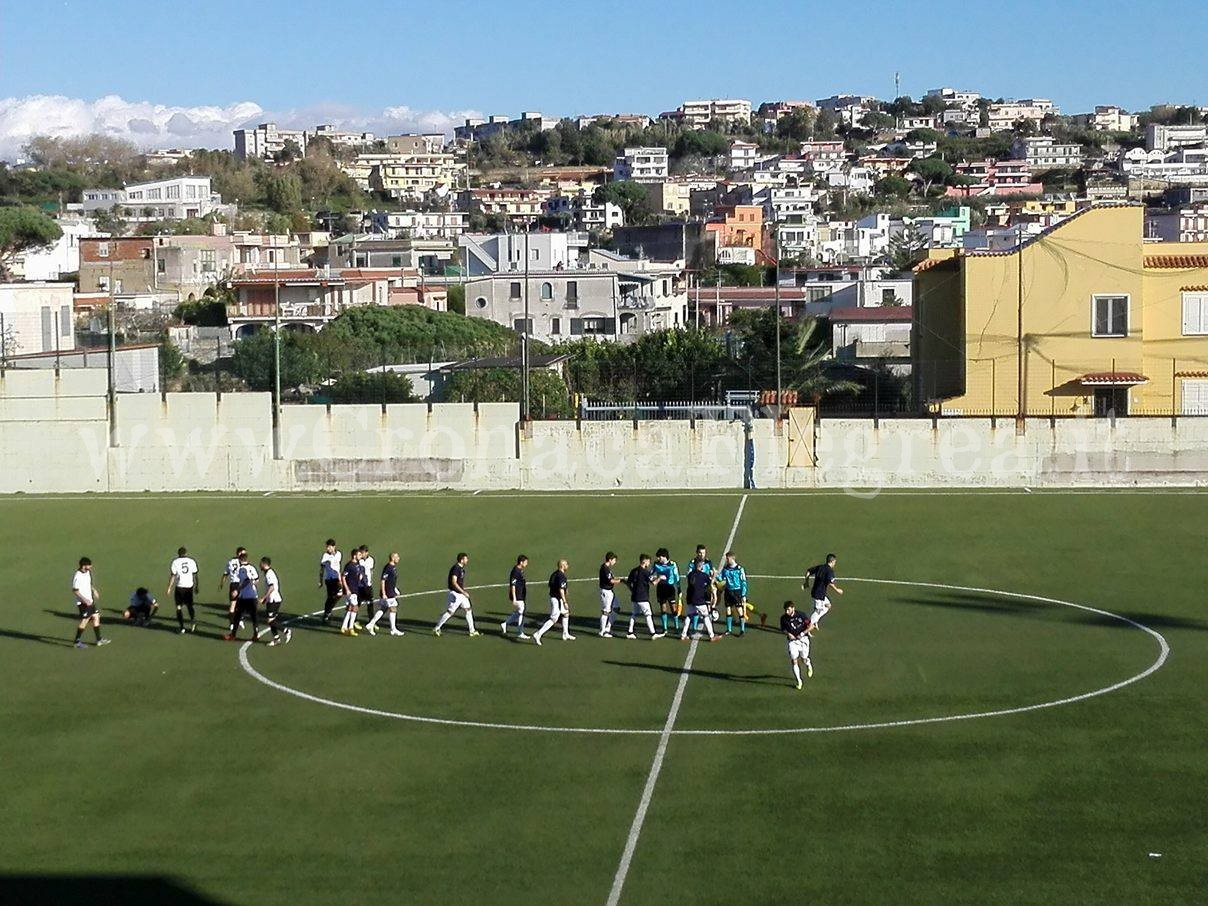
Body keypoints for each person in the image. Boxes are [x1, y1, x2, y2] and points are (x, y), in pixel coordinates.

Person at [434, 553, 480, 637]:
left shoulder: (461, 569)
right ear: (462, 560)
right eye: (466, 559)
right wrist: (463, 592)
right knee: (450, 612)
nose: (467, 560)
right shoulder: (456, 569)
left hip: (461, 594)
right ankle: (437, 628)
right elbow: (454, 582)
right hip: (456, 594)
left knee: (468, 609)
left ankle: (472, 631)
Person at [624, 554, 665, 640]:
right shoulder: (645, 572)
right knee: (648, 614)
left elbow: (628, 583)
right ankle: (653, 633)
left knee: (634, 614)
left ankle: (630, 632)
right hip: (642, 597)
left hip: (634, 597)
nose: (649, 564)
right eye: (648, 562)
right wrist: (660, 578)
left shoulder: (634, 570)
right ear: (645, 561)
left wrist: (632, 590)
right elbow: (653, 583)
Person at [534, 559, 574, 645]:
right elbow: (561, 590)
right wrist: (565, 602)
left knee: (566, 614)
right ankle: (538, 634)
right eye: (566, 564)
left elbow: (551, 585)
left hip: (554, 597)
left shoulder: (554, 574)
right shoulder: (561, 576)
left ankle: (565, 634)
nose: (568, 566)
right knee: (554, 618)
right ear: (562, 566)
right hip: (557, 599)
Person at [72, 557, 109, 649]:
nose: (91, 566)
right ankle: (77, 642)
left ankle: (99, 640)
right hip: (83, 603)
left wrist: (94, 590)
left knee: (96, 617)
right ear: (84, 566)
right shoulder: (77, 576)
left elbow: (89, 583)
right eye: (89, 565)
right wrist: (85, 600)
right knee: (85, 621)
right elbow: (75, 591)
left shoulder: (88, 572)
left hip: (90, 602)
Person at [680, 558, 720, 642]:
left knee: (689, 616)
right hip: (699, 600)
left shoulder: (690, 574)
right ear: (701, 566)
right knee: (706, 616)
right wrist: (715, 574)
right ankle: (712, 636)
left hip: (690, 599)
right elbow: (711, 582)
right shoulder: (703, 575)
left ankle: (683, 635)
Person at [366, 552, 404, 637]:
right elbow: (383, 580)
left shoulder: (392, 567)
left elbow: (391, 581)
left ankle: (371, 624)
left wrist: (395, 589)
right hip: (388, 593)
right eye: (397, 557)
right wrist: (384, 593)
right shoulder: (388, 568)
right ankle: (393, 629)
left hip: (390, 591)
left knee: (383, 609)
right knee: (393, 608)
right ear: (393, 558)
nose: (398, 558)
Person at [224, 553, 260, 642]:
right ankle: (256, 635)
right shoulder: (252, 568)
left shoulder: (242, 569)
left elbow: (247, 580)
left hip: (245, 597)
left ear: (240, 560)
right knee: (254, 616)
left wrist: (237, 590)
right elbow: (257, 580)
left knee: (237, 616)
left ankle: (233, 635)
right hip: (253, 596)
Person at [804, 554, 843, 632]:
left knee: (828, 606)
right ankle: (809, 626)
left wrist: (806, 582)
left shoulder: (820, 567)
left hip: (817, 592)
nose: (835, 563)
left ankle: (815, 621)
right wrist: (837, 590)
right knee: (818, 611)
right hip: (819, 595)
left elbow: (808, 571)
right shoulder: (830, 571)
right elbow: (830, 582)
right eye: (835, 562)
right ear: (832, 561)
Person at [780, 601, 813, 690]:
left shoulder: (801, 615)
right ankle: (799, 681)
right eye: (786, 610)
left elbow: (811, 626)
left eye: (788, 610)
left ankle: (808, 664)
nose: (787, 612)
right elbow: (783, 629)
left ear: (793, 608)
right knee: (794, 660)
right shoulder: (783, 618)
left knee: (804, 659)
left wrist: (802, 633)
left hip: (803, 640)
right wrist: (788, 634)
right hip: (792, 642)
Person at [260, 557, 291, 647]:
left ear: (264, 564)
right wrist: (266, 599)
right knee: (271, 620)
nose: (260, 565)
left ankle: (286, 630)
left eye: (261, 564)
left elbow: (272, 587)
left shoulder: (269, 574)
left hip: (274, 600)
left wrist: (264, 597)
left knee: (270, 620)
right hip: (271, 600)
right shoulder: (267, 573)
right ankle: (276, 639)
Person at [167, 546, 198, 634]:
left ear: (178, 554)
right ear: (186, 553)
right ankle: (193, 622)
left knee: (178, 607)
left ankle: (182, 627)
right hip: (189, 587)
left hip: (180, 587)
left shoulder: (175, 562)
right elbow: (195, 574)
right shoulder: (191, 561)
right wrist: (197, 586)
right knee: (189, 606)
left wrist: (169, 588)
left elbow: (173, 576)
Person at [718, 551, 749, 637]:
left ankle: (742, 630)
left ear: (732, 558)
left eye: (727, 559)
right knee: (728, 609)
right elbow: (721, 578)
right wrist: (715, 574)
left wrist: (743, 594)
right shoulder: (725, 569)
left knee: (739, 610)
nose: (726, 560)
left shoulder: (739, 569)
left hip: (737, 591)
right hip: (728, 591)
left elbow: (743, 582)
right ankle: (729, 629)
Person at [652, 548, 681, 634]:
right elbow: (651, 573)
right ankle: (665, 628)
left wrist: (679, 589)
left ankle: (676, 627)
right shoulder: (656, 564)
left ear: (664, 557)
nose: (658, 559)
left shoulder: (672, 564)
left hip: (670, 588)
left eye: (659, 557)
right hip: (661, 588)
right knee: (663, 608)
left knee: (673, 608)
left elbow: (677, 577)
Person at [501, 555, 530, 639]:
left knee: (520, 611)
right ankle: (520, 632)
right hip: (517, 594)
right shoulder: (516, 571)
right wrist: (514, 598)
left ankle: (505, 624)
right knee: (522, 611)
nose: (526, 564)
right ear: (521, 562)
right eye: (526, 562)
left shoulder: (520, 570)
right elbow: (513, 585)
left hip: (520, 594)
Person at [219, 547, 247, 630]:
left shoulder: (230, 562)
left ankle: (232, 623)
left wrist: (222, 583)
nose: (244, 555)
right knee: (240, 604)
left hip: (233, 584)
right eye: (243, 553)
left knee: (233, 605)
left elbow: (225, 574)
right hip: (241, 584)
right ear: (239, 553)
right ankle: (239, 620)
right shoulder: (243, 562)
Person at [338, 548, 364, 637]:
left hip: (355, 589)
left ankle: (344, 627)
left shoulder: (357, 564)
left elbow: (358, 573)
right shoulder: (349, 565)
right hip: (350, 590)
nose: (361, 556)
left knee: (350, 609)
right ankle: (350, 627)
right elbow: (343, 577)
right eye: (359, 555)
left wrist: (359, 576)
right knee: (355, 607)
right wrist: (347, 589)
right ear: (354, 556)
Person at [598, 552, 623, 638]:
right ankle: (602, 631)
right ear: (610, 559)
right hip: (606, 592)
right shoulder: (605, 568)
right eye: (614, 560)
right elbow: (611, 581)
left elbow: (612, 578)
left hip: (610, 592)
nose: (615, 562)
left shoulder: (607, 568)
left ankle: (608, 628)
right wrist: (621, 581)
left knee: (616, 608)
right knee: (606, 611)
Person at [318, 539, 342, 624]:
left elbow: (338, 566)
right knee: (330, 597)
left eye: (329, 547)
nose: (328, 549)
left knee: (339, 595)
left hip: (337, 579)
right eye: (327, 547)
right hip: (329, 579)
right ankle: (326, 614)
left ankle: (328, 611)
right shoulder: (325, 556)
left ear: (334, 547)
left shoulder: (339, 554)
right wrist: (320, 580)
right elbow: (322, 569)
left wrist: (340, 578)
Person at [356, 544, 375, 629]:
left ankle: (371, 621)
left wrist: (370, 581)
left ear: (367, 552)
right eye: (360, 552)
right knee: (357, 603)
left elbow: (371, 571)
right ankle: (354, 621)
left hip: (368, 585)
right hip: (360, 586)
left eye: (362, 552)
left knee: (370, 603)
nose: (361, 554)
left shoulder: (371, 560)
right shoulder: (358, 560)